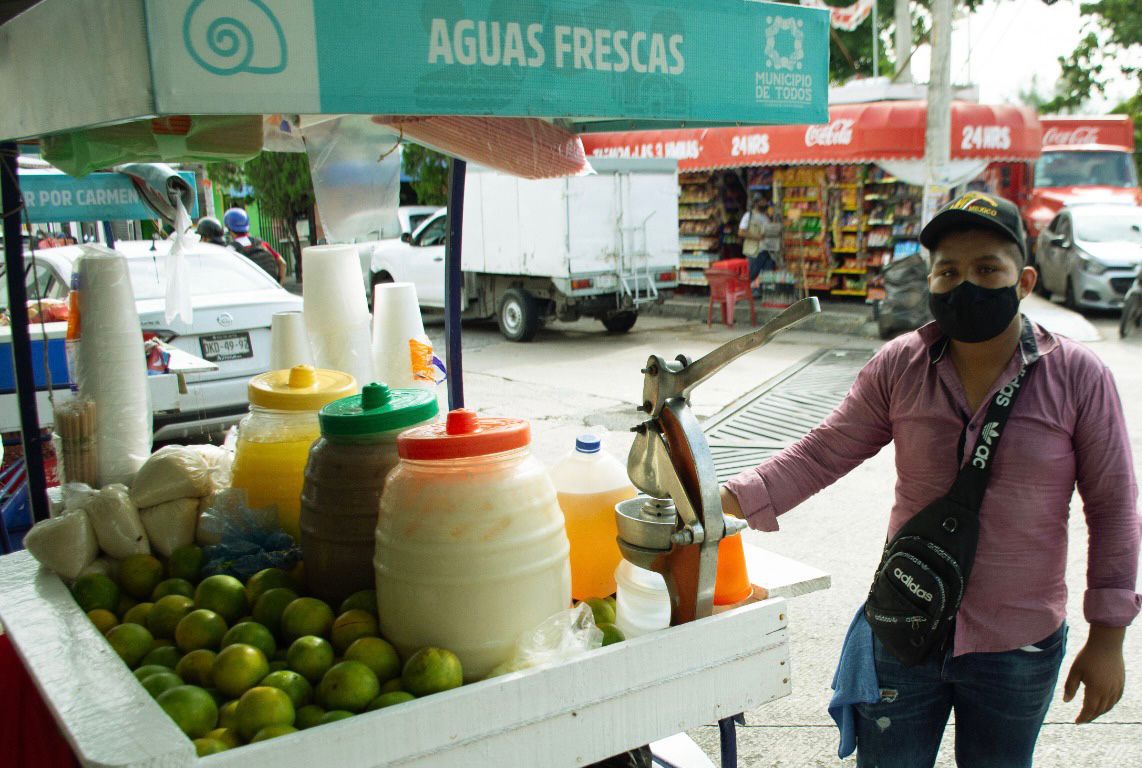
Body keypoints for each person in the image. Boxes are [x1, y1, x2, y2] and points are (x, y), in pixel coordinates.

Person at [721, 192, 1139, 767]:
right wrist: (719, 500)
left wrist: (1108, 639)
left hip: (1016, 643)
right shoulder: (899, 365)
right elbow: (822, 453)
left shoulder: (1078, 376)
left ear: (1024, 281)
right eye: (948, 271)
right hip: (904, 626)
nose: (965, 284)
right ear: (930, 281)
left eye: (986, 268)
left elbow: (1115, 507)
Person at [223, 207, 286, 284]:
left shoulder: (230, 250)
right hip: (270, 290)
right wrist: (279, 285)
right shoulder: (262, 244)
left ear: (228, 228)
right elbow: (282, 263)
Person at [738, 197, 776, 284]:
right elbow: (741, 232)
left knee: (767, 276)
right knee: (751, 274)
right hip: (754, 251)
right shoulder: (749, 215)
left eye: (764, 202)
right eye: (761, 202)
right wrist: (757, 237)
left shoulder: (766, 217)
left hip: (767, 250)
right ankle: (744, 292)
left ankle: (760, 293)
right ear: (756, 204)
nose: (764, 203)